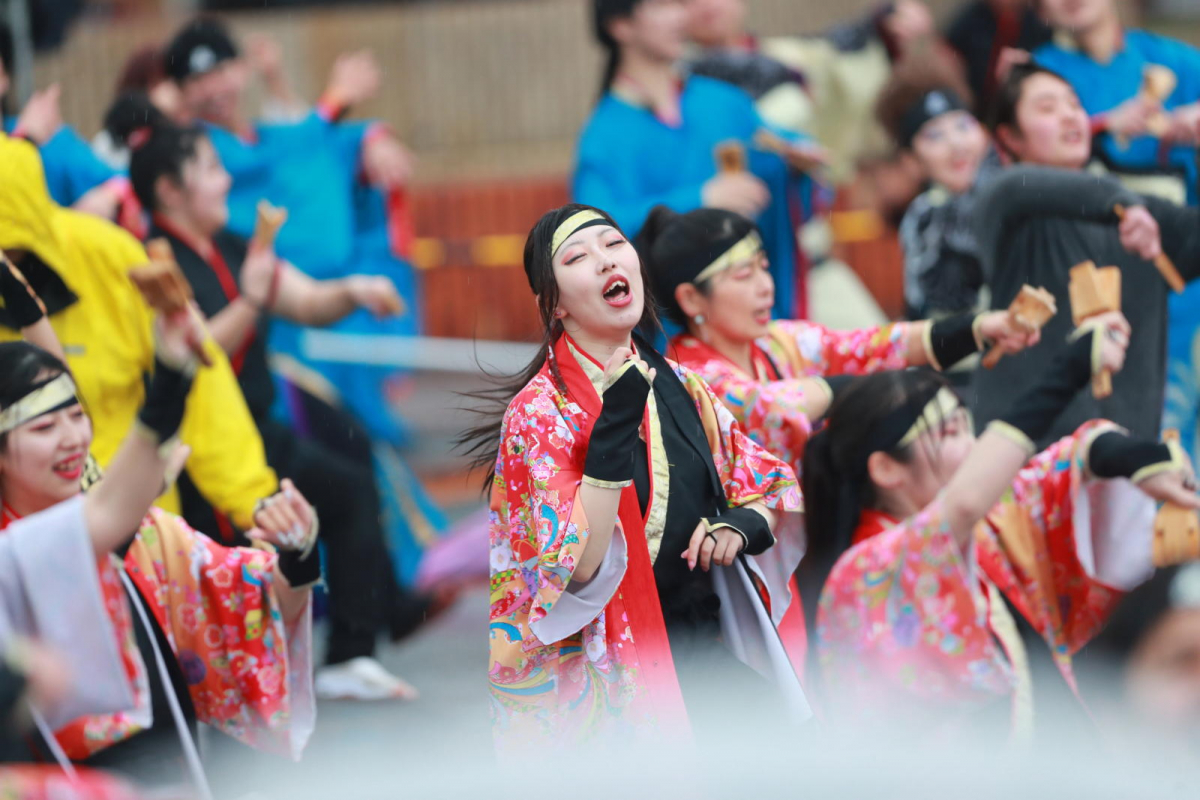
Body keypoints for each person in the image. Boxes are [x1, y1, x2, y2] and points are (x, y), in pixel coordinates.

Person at [118, 102, 422, 701]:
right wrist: (251, 303)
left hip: (261, 432)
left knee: (351, 487)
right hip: (203, 456)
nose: (226, 179)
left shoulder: (233, 245)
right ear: (168, 191)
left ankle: (349, 655)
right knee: (237, 560)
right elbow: (192, 354)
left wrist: (355, 289)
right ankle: (229, 682)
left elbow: (305, 300)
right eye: (209, 169)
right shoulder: (151, 265)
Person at [473, 203, 805, 748]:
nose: (605, 261)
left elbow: (768, 483)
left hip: (701, 646)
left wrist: (740, 523)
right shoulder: (537, 413)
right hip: (610, 677)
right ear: (554, 304)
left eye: (613, 244)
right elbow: (575, 568)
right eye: (578, 257)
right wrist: (612, 433)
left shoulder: (682, 385)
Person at [809, 314, 1198, 739]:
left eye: (965, 426)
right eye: (949, 433)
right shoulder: (867, 571)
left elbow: (1061, 467)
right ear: (886, 469)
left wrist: (1134, 459)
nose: (971, 446)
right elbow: (962, 506)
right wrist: (1066, 371)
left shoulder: (982, 528)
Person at [0, 311, 318, 791]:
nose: (72, 439)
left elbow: (256, 603)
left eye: (76, 416)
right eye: (44, 429)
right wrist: (168, 378)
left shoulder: (144, 532)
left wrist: (298, 553)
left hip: (171, 773)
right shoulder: (15, 554)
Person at [0, 133, 279, 543]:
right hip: (26, 542)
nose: (15, 274)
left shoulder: (109, 256)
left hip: (140, 524)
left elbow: (205, 389)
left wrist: (252, 501)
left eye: (22, 256)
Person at [163, 18, 419, 446]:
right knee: (317, 447)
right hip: (278, 329)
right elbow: (288, 152)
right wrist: (334, 102)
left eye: (220, 70)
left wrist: (372, 136)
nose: (212, 87)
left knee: (366, 453)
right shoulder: (194, 150)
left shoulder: (268, 137)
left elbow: (315, 142)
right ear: (180, 93)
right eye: (197, 79)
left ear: (241, 71)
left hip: (335, 313)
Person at [971, 64, 1200, 446]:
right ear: (1009, 138)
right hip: (1027, 454)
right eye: (1047, 108)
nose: (1068, 114)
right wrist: (1127, 204)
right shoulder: (1006, 199)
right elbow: (1033, 186)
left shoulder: (1141, 213)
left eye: (1074, 104)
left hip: (1129, 456)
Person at [575, 0, 823, 319]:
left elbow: (780, 156)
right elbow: (593, 232)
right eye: (663, 6)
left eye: (681, 4)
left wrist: (796, 164)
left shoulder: (724, 101)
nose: (681, 15)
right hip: (674, 339)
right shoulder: (603, 136)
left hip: (752, 316)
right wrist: (700, 198)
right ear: (620, 26)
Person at [1032, 0, 1200, 206]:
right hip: (1092, 219)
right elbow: (1027, 150)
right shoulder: (1038, 72)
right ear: (1039, 10)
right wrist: (1105, 124)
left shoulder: (1163, 54)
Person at [876, 55, 999, 321]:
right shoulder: (923, 217)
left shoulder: (1015, 183)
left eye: (963, 126)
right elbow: (935, 304)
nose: (957, 144)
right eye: (935, 136)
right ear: (912, 162)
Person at [0, 23, 125, 218]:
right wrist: (25, 140)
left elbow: (119, 179)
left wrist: (108, 195)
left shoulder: (47, 137)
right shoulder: (29, 132)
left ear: (4, 77)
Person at [944, 0, 1051, 114]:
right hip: (976, 103)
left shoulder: (1039, 20)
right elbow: (949, 56)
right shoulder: (969, 19)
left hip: (1021, 100)